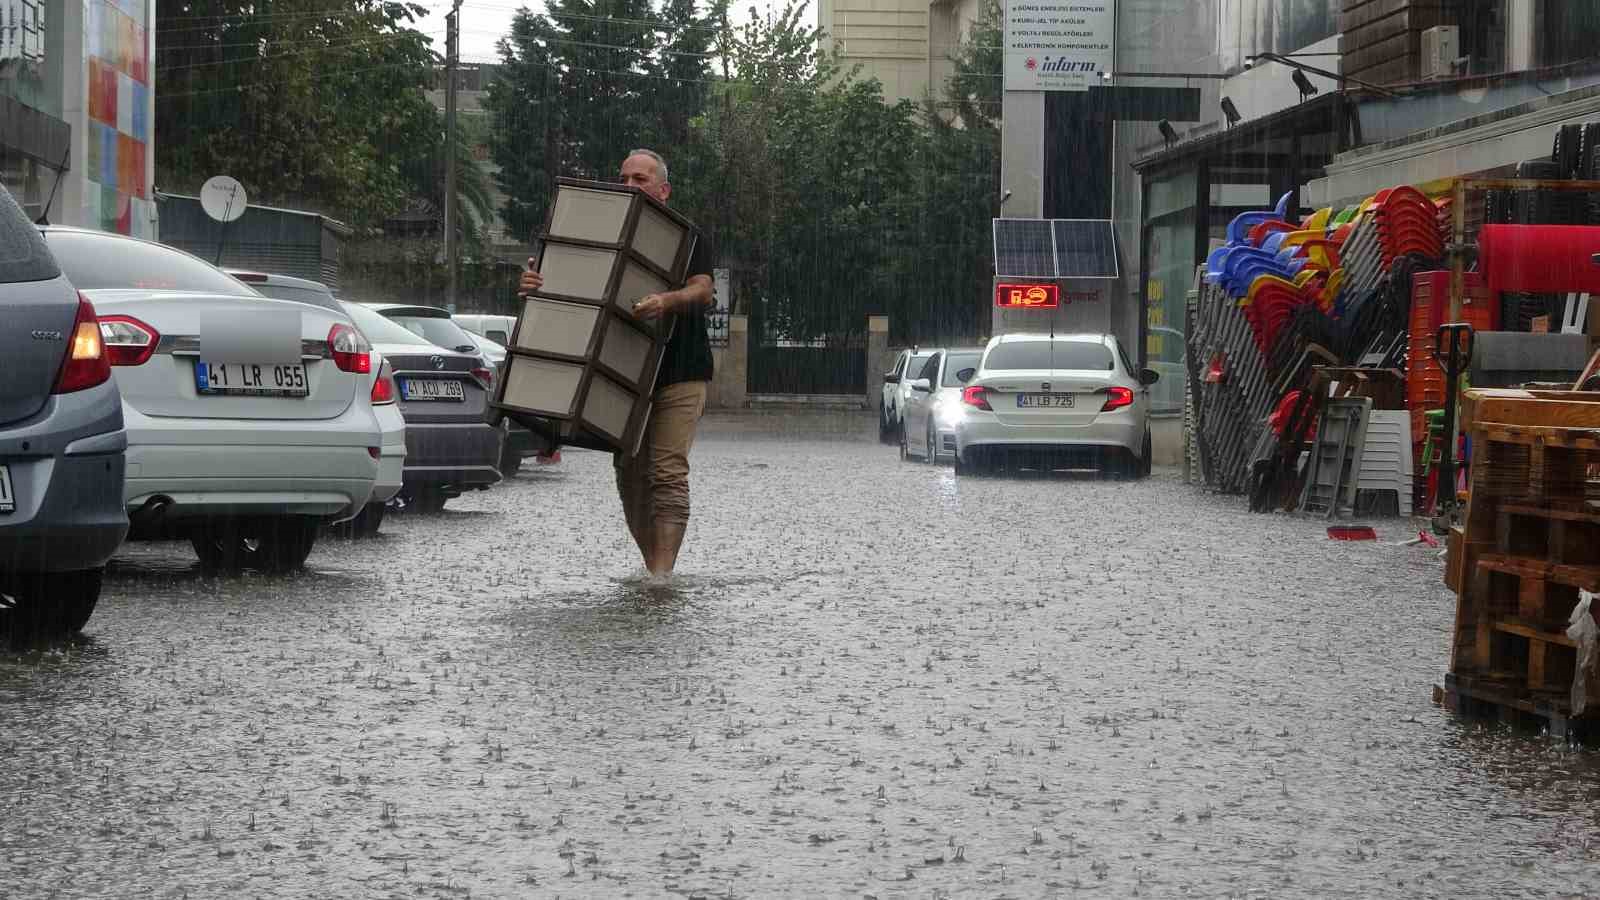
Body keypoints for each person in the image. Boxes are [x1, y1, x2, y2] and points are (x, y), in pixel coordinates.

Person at [518, 149, 715, 575]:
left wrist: (667, 300)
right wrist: (536, 283)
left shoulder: (689, 237)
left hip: (681, 372)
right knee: (628, 472)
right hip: (621, 373)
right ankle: (653, 567)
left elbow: (703, 291)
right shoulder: (594, 230)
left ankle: (661, 579)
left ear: (663, 190)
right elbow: (567, 289)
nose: (628, 187)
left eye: (639, 179)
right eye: (623, 178)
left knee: (666, 472)